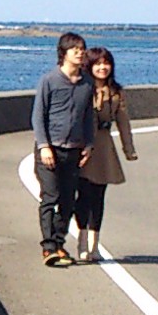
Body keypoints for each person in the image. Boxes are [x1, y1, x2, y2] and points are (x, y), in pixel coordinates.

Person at [32, 32, 95, 266]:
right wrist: (44, 146)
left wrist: (89, 145)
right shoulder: (49, 80)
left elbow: (89, 117)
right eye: (75, 49)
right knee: (50, 197)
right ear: (64, 53)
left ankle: (59, 244)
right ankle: (48, 247)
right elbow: (38, 117)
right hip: (50, 149)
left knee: (68, 200)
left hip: (74, 150)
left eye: (82, 49)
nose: (80, 53)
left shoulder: (87, 83)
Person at [73, 46, 137, 263]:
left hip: (103, 147)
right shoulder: (81, 88)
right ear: (89, 66)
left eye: (106, 63)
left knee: (98, 197)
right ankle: (81, 243)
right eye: (98, 63)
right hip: (82, 147)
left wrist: (129, 149)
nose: (103, 67)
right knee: (83, 197)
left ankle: (94, 245)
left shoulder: (117, 92)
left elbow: (124, 122)